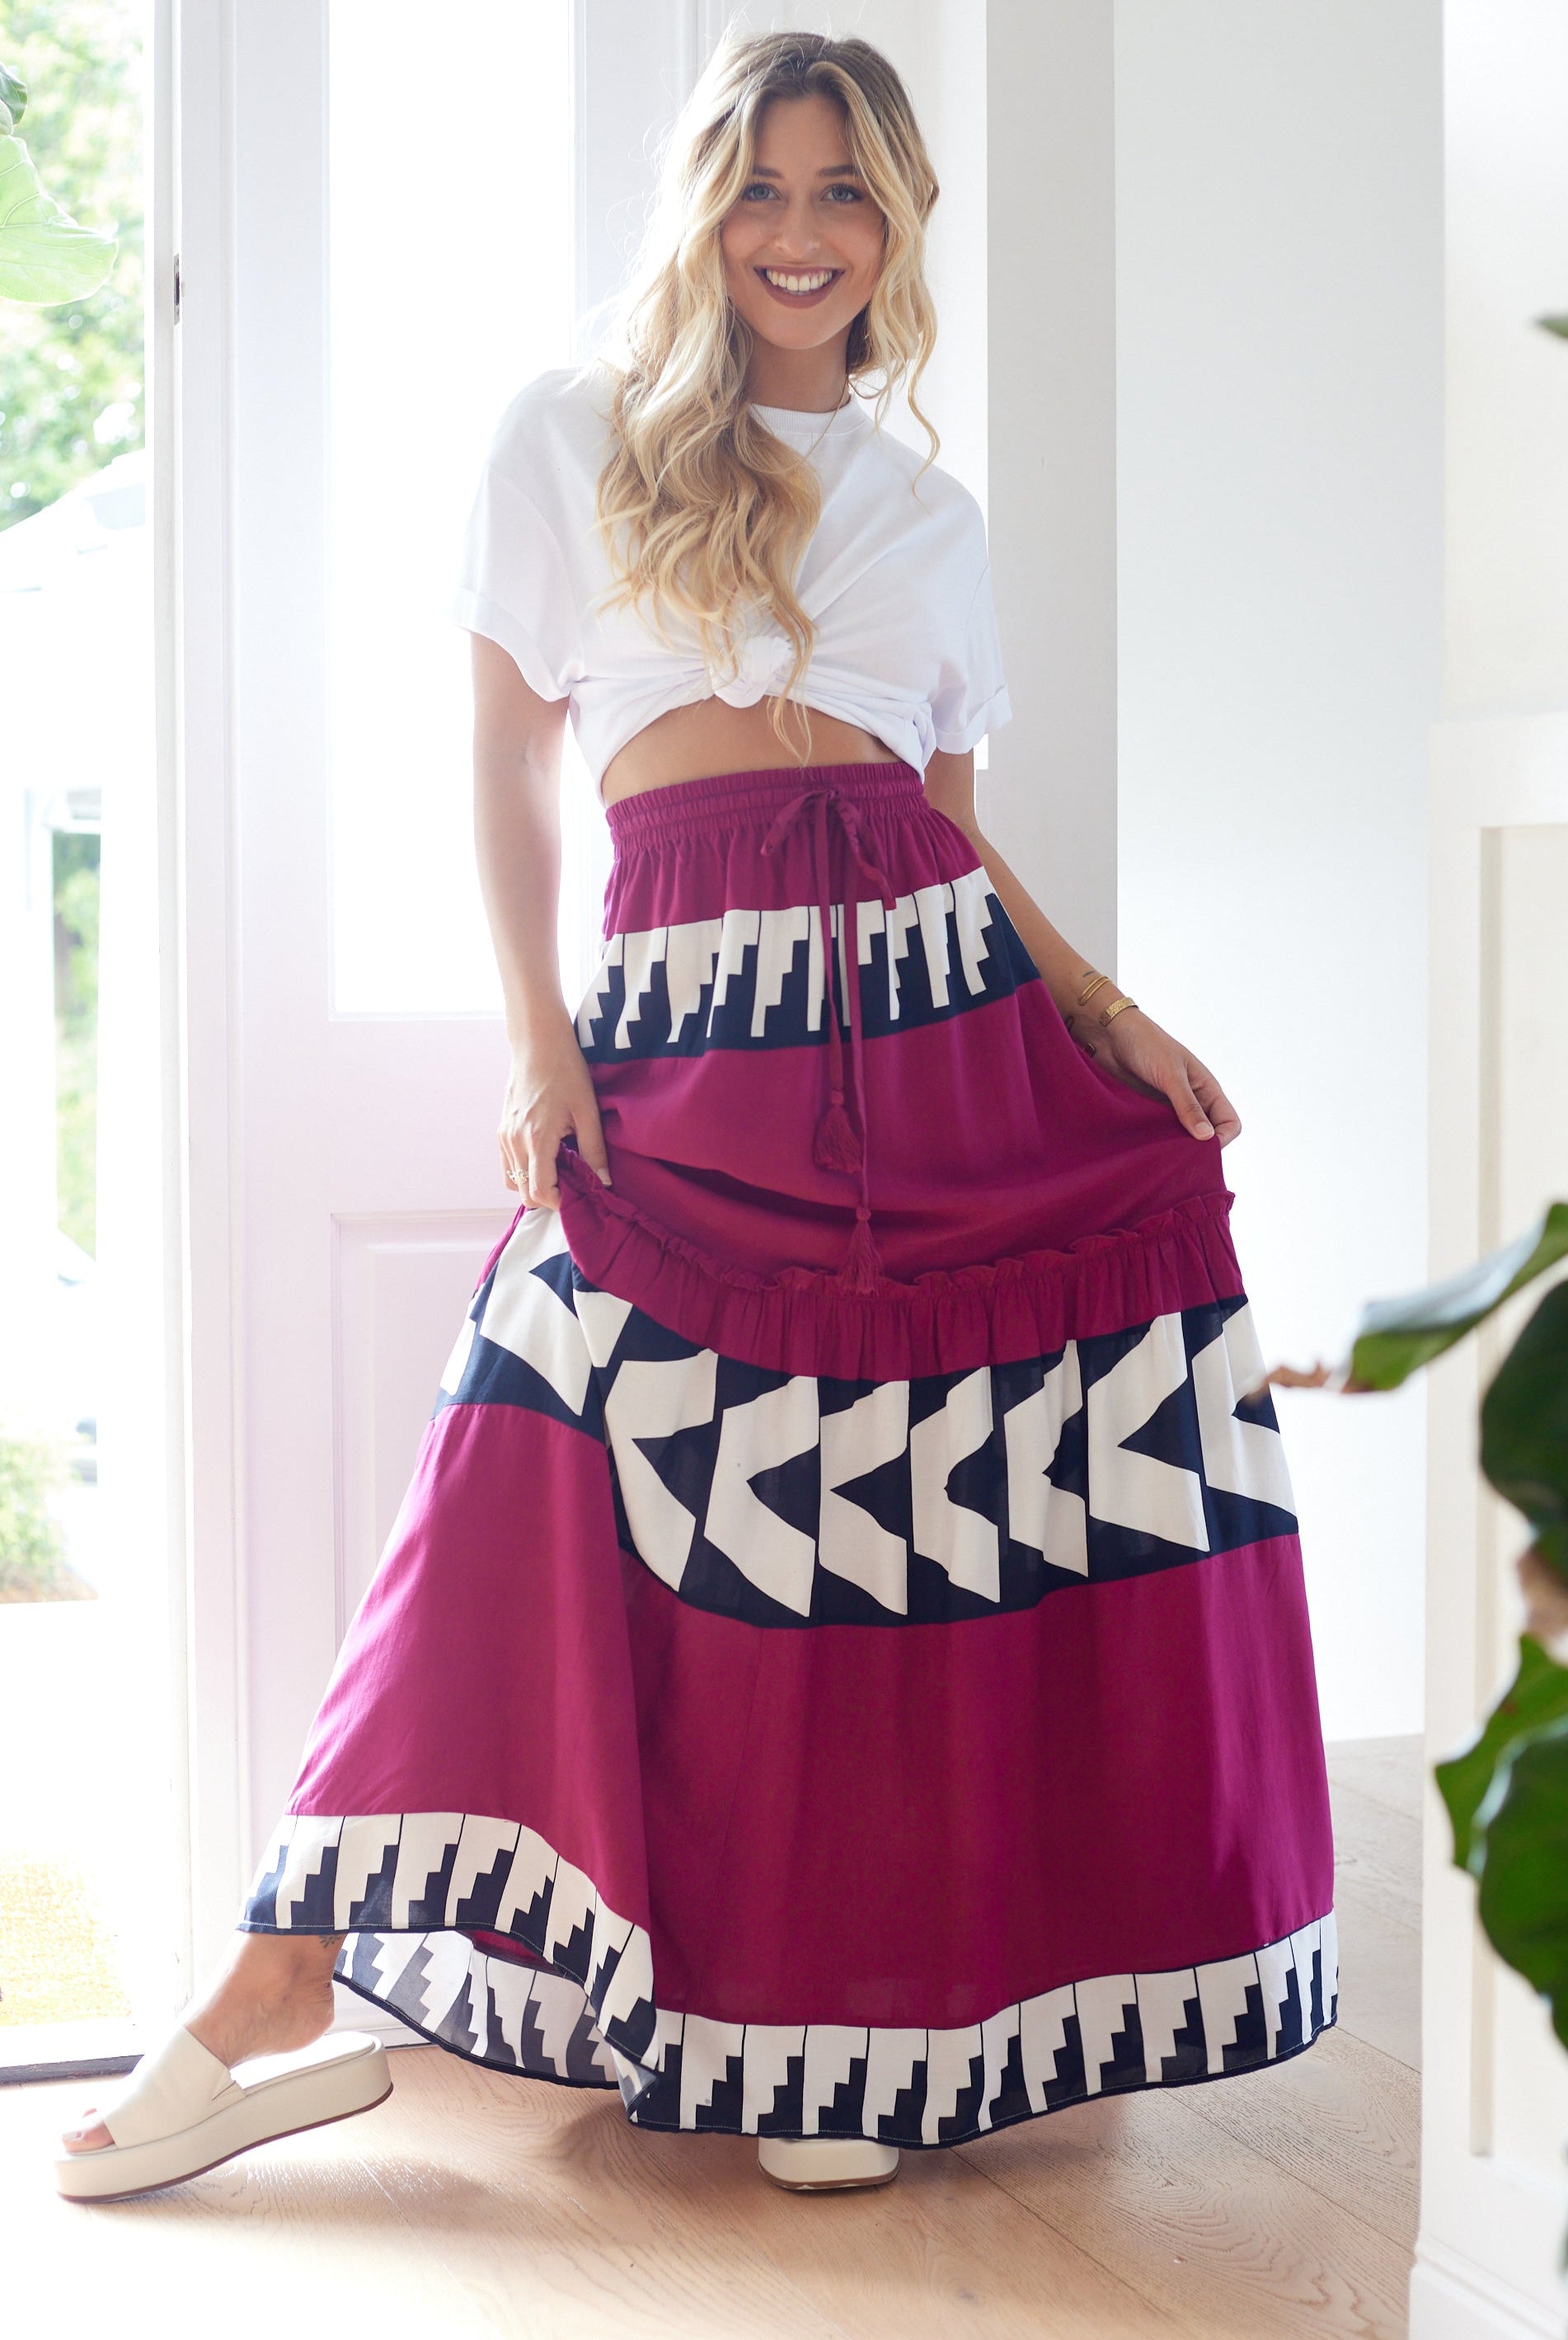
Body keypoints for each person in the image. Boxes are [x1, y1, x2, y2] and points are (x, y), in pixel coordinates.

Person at [59, 29, 1334, 2202]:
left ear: (900, 222)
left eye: (848, 196)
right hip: (688, 1036)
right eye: (766, 190)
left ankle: (835, 2022)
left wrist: (1100, 1005)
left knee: (898, 1515)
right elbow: (503, 756)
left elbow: (948, 818)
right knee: (527, 1450)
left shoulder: (936, 514)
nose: (805, 238)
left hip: (940, 1047)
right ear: (706, 205)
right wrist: (543, 1042)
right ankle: (281, 1977)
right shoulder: (571, 436)